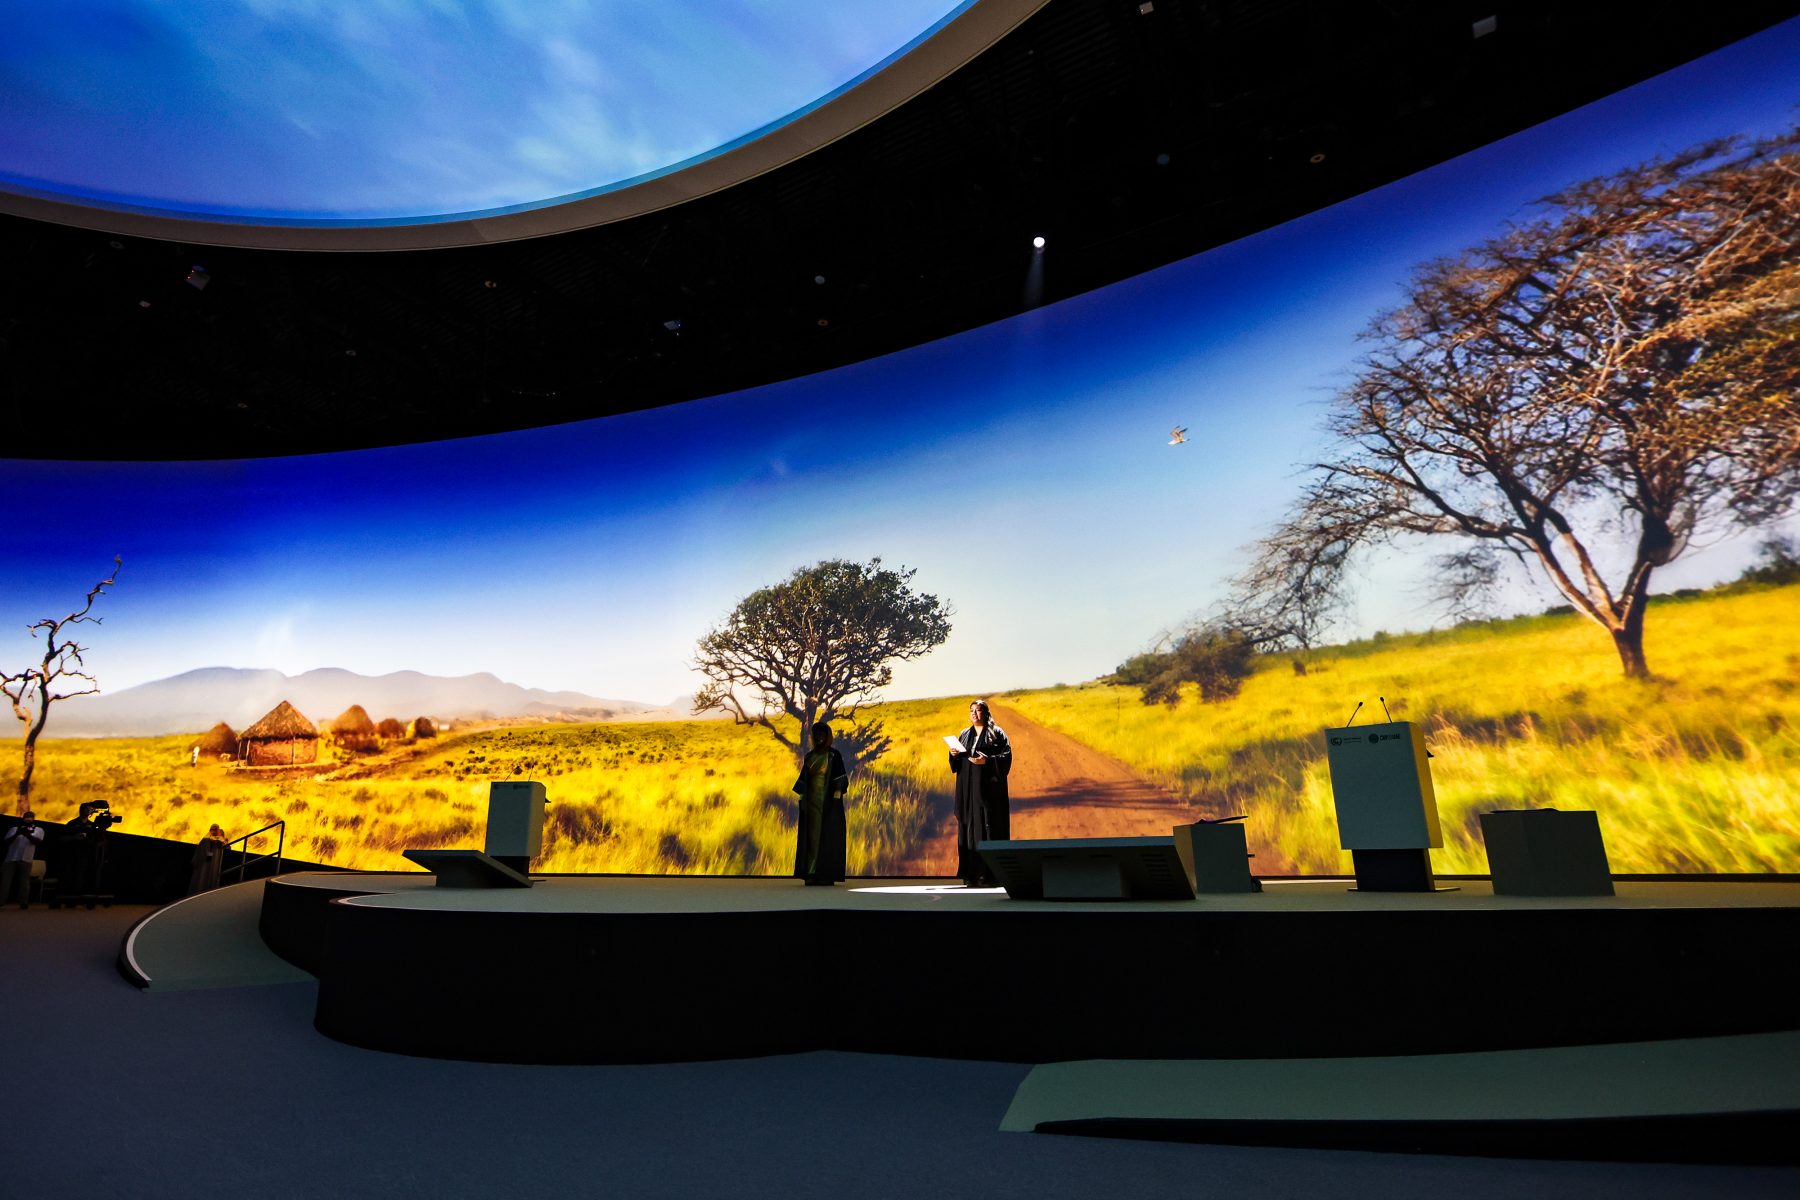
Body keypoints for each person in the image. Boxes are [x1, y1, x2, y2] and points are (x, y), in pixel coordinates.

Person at [948, 699, 1013, 886]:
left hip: (988, 794)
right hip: (968, 792)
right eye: (971, 711)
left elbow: (1006, 757)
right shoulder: (964, 734)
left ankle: (991, 875)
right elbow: (958, 763)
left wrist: (988, 761)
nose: (974, 714)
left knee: (988, 829)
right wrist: (953, 754)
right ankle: (971, 874)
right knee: (968, 830)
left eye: (978, 710)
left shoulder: (996, 733)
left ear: (986, 713)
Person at [792, 722, 849, 886]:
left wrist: (835, 802)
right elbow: (803, 780)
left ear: (827, 736)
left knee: (828, 837)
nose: (818, 737)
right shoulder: (809, 756)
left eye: (822, 734)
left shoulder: (833, 755)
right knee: (811, 838)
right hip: (812, 803)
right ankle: (811, 872)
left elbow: (840, 779)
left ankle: (825, 873)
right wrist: (802, 800)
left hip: (829, 803)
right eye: (816, 734)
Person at [1, 812, 46, 909]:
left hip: (26, 858)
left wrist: (28, 835)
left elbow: (38, 842)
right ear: (23, 818)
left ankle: (23, 902)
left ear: (33, 819)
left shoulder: (38, 830)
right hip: (11, 858)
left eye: (30, 817)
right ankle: (1, 900)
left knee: (24, 882)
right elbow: (6, 841)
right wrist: (17, 833)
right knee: (5, 880)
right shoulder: (14, 829)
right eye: (26, 817)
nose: (28, 818)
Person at [189, 824, 228, 895]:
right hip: (204, 866)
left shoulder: (221, 840)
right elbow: (202, 851)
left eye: (216, 829)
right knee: (201, 881)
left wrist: (221, 840)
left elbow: (226, 847)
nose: (213, 831)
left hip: (215, 864)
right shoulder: (205, 840)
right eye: (212, 829)